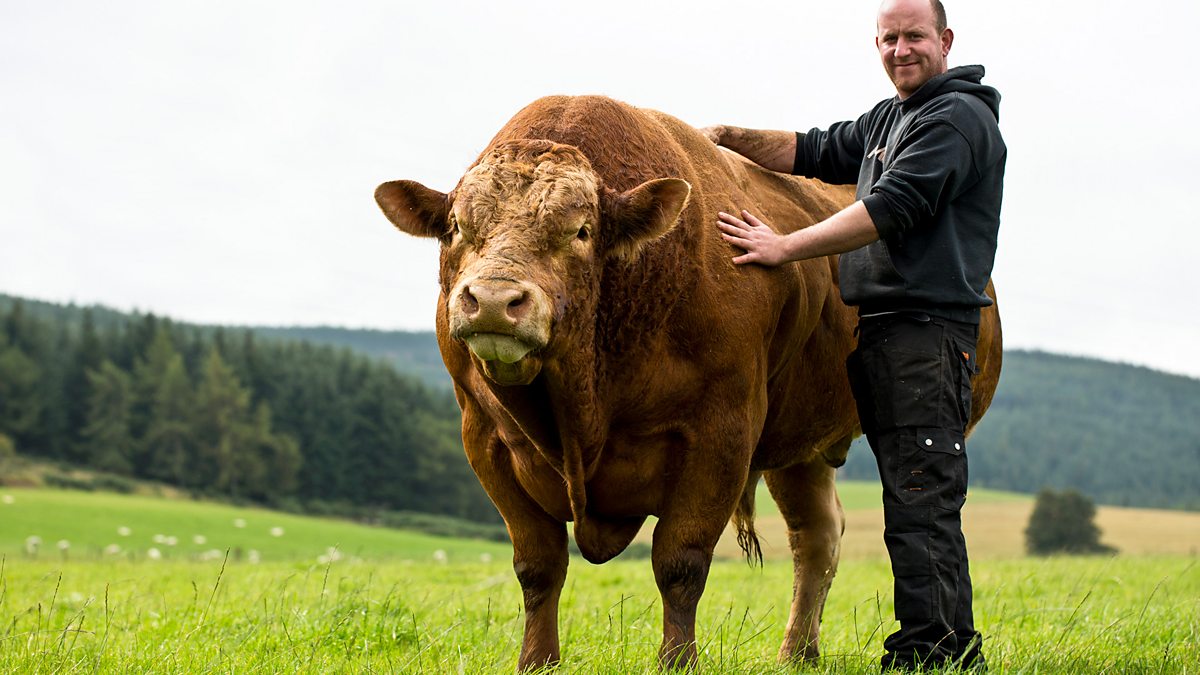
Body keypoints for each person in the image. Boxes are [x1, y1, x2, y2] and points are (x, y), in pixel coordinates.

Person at [703, 0, 1005, 671]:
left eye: (914, 36)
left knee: (922, 499)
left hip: (929, 332)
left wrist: (786, 246)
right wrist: (721, 135)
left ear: (945, 39)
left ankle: (929, 651)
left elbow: (889, 208)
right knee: (915, 495)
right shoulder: (889, 119)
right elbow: (808, 149)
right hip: (885, 333)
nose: (901, 49)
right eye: (888, 38)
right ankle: (951, 649)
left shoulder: (957, 118)